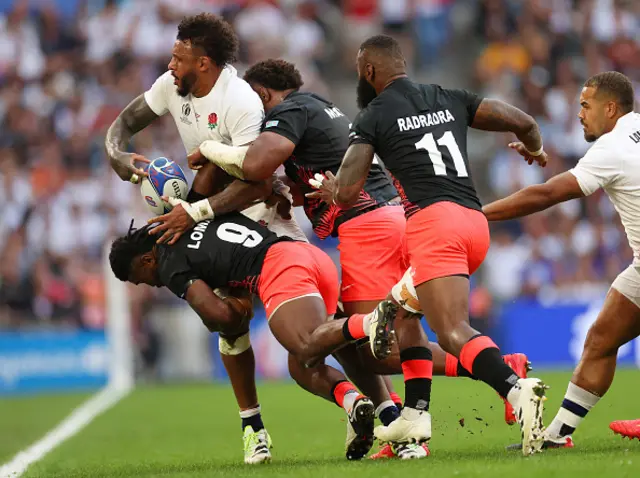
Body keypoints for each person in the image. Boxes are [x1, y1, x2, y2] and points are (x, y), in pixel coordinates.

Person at [195, 53, 539, 455]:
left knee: (374, 348)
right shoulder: (324, 108)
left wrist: (210, 150)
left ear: (262, 94)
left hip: (367, 228)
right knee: (398, 326)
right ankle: (408, 429)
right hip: (394, 218)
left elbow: (258, 163)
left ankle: (496, 370)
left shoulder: (289, 110)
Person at [306, 34, 548, 455]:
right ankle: (414, 420)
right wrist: (536, 151)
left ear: (369, 71)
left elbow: (346, 192)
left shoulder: (373, 115)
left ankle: (515, 389)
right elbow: (523, 122)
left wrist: (331, 189)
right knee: (401, 312)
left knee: (451, 331)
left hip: (433, 226)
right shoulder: (448, 95)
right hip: (473, 221)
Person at [103, 13, 307, 464]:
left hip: (258, 212)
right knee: (228, 330)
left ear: (205, 62)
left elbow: (258, 181)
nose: (170, 64)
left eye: (179, 57)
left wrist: (196, 209)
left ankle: (380, 405)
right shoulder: (171, 87)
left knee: (309, 327)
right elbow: (125, 121)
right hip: (203, 212)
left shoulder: (240, 102)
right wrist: (115, 152)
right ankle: (253, 429)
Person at [109, 213, 386, 460]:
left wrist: (235, 308)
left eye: (142, 278)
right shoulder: (192, 216)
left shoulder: (169, 265)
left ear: (147, 259)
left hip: (279, 269)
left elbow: (222, 318)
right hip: (307, 254)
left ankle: (369, 322)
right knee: (304, 365)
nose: (150, 283)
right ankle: (361, 404)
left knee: (305, 345)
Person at [483, 71, 640, 448]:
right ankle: (556, 436)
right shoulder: (628, 135)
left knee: (601, 340)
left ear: (611, 108)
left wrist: (479, 213)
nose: (580, 113)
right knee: (601, 339)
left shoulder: (612, 147)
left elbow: (548, 194)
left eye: (586, 105)